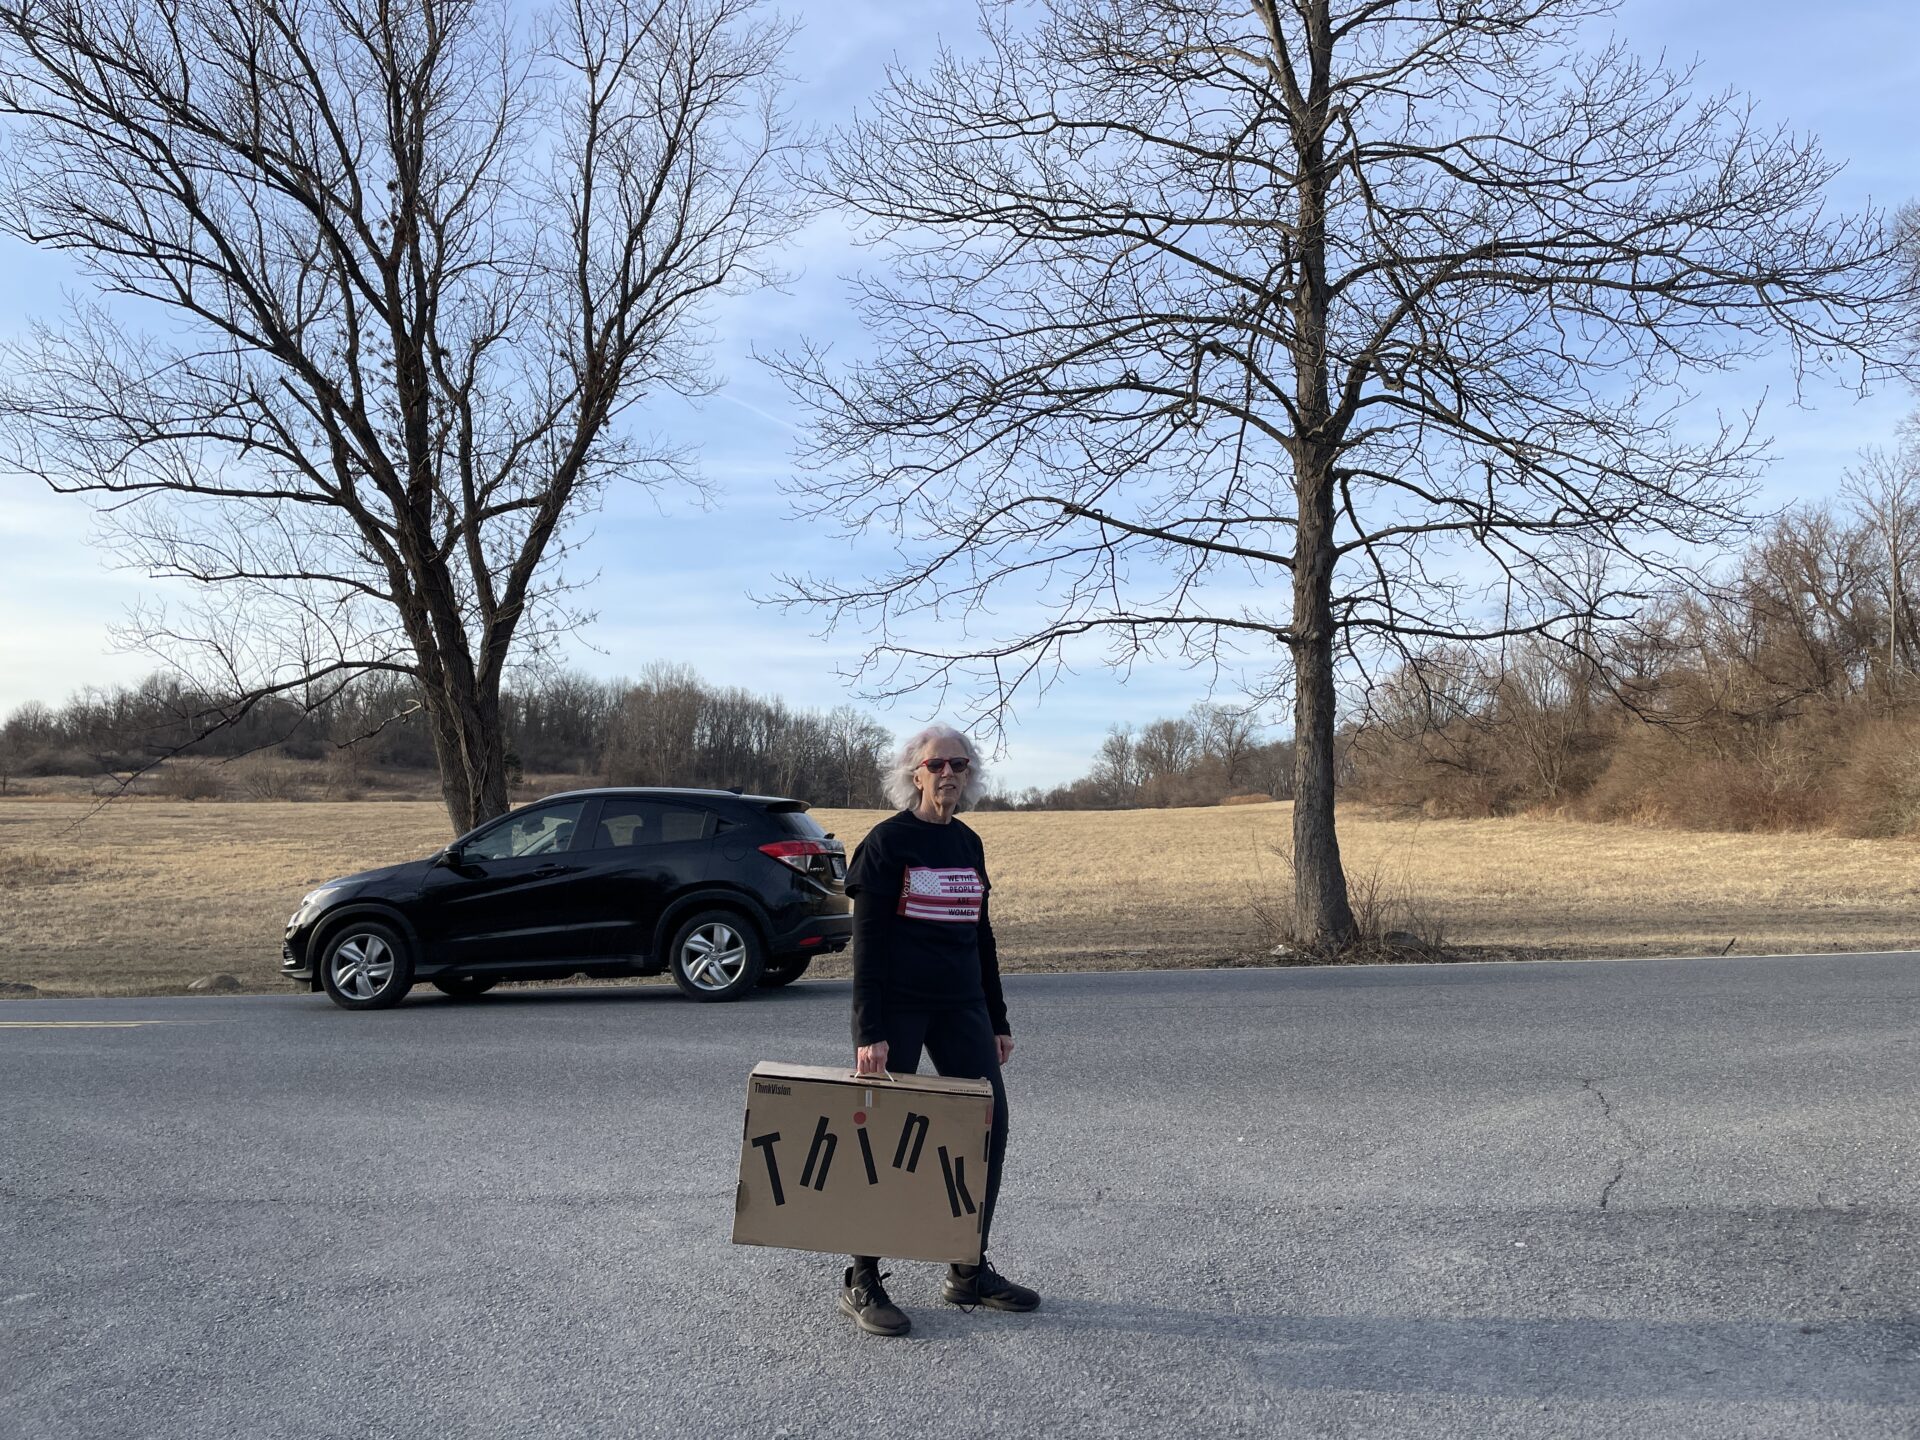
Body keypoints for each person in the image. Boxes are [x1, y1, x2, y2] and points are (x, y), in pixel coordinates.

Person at [836, 723, 1040, 1337]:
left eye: (959, 764)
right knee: (886, 1137)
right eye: (935, 765)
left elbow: (981, 936)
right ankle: (862, 1277)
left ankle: (967, 1269)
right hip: (897, 1008)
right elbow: (867, 947)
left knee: (987, 1127)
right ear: (914, 774)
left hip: (962, 1007)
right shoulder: (886, 845)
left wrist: (997, 1018)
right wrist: (869, 1031)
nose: (948, 774)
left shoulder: (969, 844)